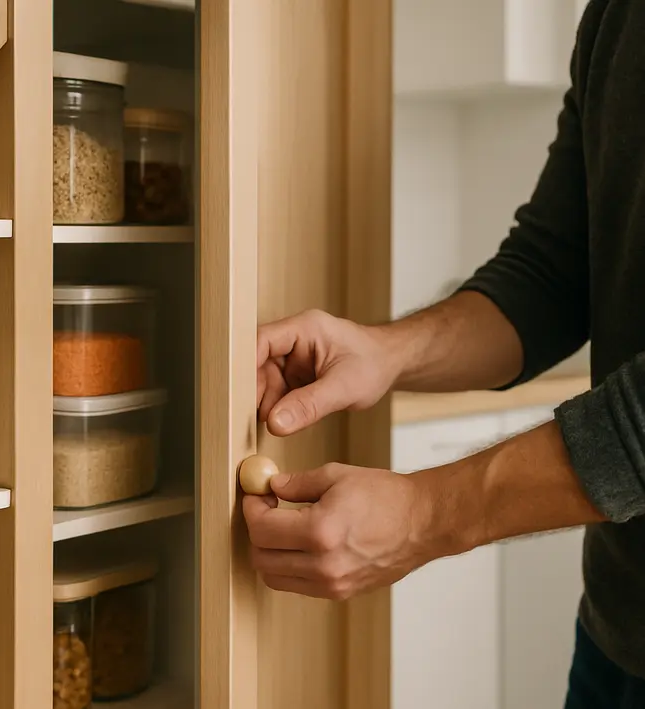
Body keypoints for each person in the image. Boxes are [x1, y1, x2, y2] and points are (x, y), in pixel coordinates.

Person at [244, 1, 645, 706]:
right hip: (616, 637)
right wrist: (383, 350)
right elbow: (550, 275)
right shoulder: (615, 16)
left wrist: (424, 514)